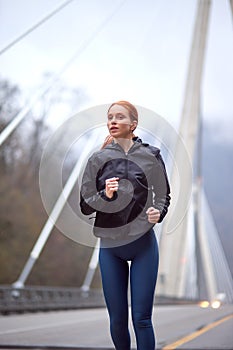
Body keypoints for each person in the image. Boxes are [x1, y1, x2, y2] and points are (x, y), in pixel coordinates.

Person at [80, 101, 171, 350]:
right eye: (110, 117)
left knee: (141, 319)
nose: (113, 121)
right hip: (111, 247)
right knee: (118, 320)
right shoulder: (97, 159)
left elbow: (163, 195)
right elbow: (85, 205)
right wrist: (105, 197)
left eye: (119, 117)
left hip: (142, 244)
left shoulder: (151, 155)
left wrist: (157, 212)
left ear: (133, 124)